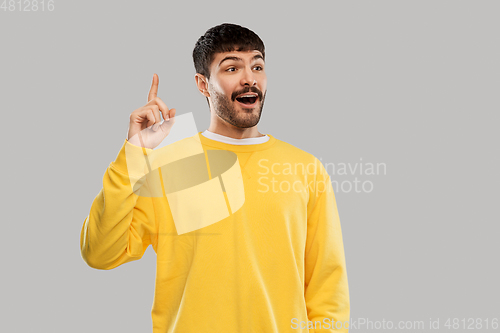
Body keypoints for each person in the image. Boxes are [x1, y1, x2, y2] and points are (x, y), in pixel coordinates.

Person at [80, 23, 350, 333]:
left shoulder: (305, 168)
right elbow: (99, 253)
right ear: (202, 83)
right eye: (232, 67)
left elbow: (328, 288)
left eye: (257, 66)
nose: (249, 78)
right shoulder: (170, 161)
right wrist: (132, 155)